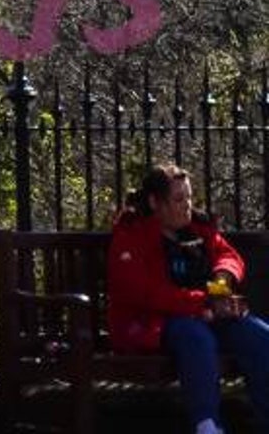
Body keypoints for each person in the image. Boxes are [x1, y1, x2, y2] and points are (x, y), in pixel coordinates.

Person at [108, 161, 269, 434]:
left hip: (206, 312)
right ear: (154, 202)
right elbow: (145, 293)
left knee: (258, 334)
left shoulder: (198, 227)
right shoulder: (131, 235)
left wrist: (222, 280)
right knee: (195, 336)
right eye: (179, 198)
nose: (187, 205)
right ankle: (207, 424)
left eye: (190, 197)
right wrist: (202, 304)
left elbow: (228, 256)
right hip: (156, 322)